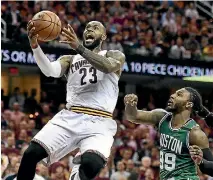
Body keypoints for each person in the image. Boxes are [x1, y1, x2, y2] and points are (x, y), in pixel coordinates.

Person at [17, 20, 125, 180]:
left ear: (103, 36)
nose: (90, 30)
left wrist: (79, 48)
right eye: (87, 27)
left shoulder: (114, 55)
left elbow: (107, 67)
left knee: (90, 164)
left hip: (100, 122)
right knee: (30, 154)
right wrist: (35, 46)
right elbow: (50, 71)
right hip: (70, 116)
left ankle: (77, 173)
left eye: (95, 28)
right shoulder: (70, 59)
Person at [124, 87, 213, 179]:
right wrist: (130, 106)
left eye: (179, 95)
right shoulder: (161, 117)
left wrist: (201, 161)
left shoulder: (195, 134)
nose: (172, 96)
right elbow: (133, 117)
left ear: (189, 104)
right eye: (174, 93)